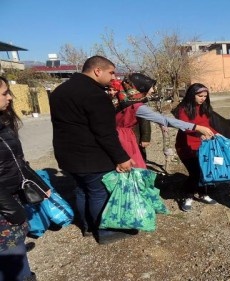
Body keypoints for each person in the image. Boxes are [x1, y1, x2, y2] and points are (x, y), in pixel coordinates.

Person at [49, 55, 137, 245]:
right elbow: (105, 133)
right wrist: (122, 158)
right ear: (97, 71)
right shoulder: (95, 95)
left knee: (82, 190)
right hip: (90, 156)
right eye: (111, 72)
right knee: (98, 192)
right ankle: (104, 231)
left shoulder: (59, 91)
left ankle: (87, 226)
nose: (113, 77)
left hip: (68, 157)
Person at [0, 76, 36, 280]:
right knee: (12, 261)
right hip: (4, 207)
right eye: (5, 93)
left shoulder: (3, 124)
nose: (10, 98)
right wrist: (13, 211)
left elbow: (16, 160)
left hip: (9, 199)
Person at [173, 83, 219, 212]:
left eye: (205, 96)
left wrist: (216, 134)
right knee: (195, 173)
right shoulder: (183, 109)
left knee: (204, 170)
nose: (203, 98)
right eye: (200, 96)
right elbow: (185, 127)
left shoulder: (205, 108)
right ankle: (188, 196)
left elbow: (207, 125)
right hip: (186, 146)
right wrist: (199, 132)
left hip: (203, 146)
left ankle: (203, 194)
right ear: (192, 95)